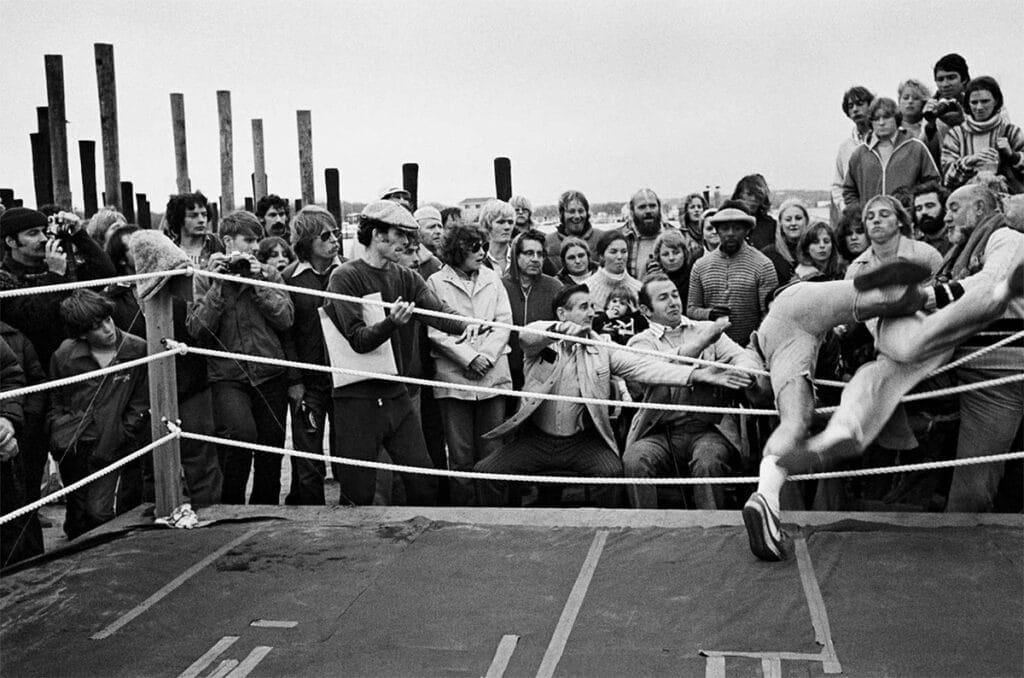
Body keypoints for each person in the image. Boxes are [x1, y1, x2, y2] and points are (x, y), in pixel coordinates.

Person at [792, 184, 1024, 515]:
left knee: (972, 487)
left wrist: (926, 301)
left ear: (981, 210)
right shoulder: (950, 255)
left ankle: (963, 543)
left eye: (955, 207)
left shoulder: (1005, 238)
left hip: (993, 374)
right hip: (958, 367)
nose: (946, 215)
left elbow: (991, 285)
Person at [741, 257, 943, 560]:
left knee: (795, 423)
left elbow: (749, 371)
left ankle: (767, 497)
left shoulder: (767, 342)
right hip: (800, 316)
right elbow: (749, 373)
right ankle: (932, 290)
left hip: (794, 324)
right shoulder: (779, 334)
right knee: (905, 304)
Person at [475, 284, 726, 507]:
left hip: (582, 443)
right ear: (563, 313)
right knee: (486, 473)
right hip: (534, 441)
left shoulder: (603, 348)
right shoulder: (541, 343)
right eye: (584, 307)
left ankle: (608, 538)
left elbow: (648, 366)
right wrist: (559, 329)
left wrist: (695, 375)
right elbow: (527, 336)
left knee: (613, 473)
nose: (592, 313)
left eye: (593, 306)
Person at [324, 201, 473, 506]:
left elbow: (439, 314)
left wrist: (472, 324)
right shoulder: (344, 277)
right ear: (378, 235)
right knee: (358, 492)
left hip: (395, 393)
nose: (408, 243)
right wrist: (392, 323)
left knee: (424, 481)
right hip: (357, 399)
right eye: (400, 234)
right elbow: (358, 340)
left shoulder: (405, 276)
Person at [623, 274, 762, 509]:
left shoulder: (706, 329)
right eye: (663, 298)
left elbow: (743, 356)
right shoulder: (639, 343)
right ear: (646, 310)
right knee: (635, 460)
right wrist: (702, 343)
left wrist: (744, 371)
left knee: (708, 462)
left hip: (709, 429)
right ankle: (645, 529)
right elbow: (660, 370)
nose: (673, 302)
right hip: (659, 431)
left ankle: (710, 531)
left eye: (675, 295)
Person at [187, 210, 294, 505]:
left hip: (270, 372)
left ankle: (265, 510)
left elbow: (286, 319)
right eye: (248, 240)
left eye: (257, 240)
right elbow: (197, 330)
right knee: (240, 436)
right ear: (227, 241)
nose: (254, 247)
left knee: (271, 449)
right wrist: (219, 286)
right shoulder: (205, 278)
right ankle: (230, 506)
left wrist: (258, 283)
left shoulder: (270, 274)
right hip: (228, 376)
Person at [126, 229, 223, 508]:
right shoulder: (118, 302)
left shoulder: (182, 293)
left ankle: (210, 512)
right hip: (145, 394)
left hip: (192, 384)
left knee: (201, 457)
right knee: (150, 462)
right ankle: (150, 515)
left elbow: (200, 330)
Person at [48, 290, 149, 539]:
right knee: (76, 512)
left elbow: (141, 399)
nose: (107, 328)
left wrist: (125, 431)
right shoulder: (65, 356)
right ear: (82, 333)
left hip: (113, 443)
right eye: (97, 326)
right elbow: (55, 399)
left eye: (107, 319)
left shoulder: (135, 348)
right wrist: (59, 432)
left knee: (99, 511)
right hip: (76, 444)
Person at [426, 223, 513, 505]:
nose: (481, 252)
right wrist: (468, 357)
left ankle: (494, 511)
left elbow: (504, 322)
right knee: (460, 454)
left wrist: (485, 357)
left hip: (493, 375)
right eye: (473, 247)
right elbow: (435, 330)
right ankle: (463, 512)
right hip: (455, 379)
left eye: (483, 246)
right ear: (456, 249)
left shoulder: (493, 277)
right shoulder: (435, 283)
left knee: (492, 451)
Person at [280, 206, 345, 505]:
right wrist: (294, 380)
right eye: (326, 235)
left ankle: (354, 513)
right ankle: (311, 517)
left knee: (348, 451)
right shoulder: (288, 278)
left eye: (336, 234)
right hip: (308, 381)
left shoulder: (347, 274)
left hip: (345, 378)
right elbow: (286, 333)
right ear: (307, 241)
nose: (335, 241)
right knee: (308, 455)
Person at [1, 207, 116, 371]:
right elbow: (32, 319)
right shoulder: (5, 279)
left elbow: (105, 273)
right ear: (11, 241)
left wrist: (79, 234)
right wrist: (55, 276)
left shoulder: (61, 267)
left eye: (44, 232)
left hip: (78, 362)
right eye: (33, 233)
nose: (43, 239)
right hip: (37, 371)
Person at [687, 204, 778, 346]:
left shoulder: (763, 265)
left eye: (737, 228)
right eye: (724, 228)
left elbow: (769, 315)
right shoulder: (700, 266)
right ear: (717, 231)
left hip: (750, 349)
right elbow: (692, 310)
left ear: (747, 230)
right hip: (711, 348)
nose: (730, 233)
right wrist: (709, 314)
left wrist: (756, 348)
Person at [843, 97, 941, 210]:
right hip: (872, 223)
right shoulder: (860, 153)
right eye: (876, 118)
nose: (881, 123)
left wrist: (913, 206)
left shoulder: (916, 147)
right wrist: (860, 214)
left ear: (896, 118)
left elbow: (932, 182)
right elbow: (849, 190)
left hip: (907, 222)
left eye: (886, 117)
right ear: (871, 122)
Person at [941, 76, 1024, 193]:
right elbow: (947, 180)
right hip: (967, 203)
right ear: (968, 104)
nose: (979, 107)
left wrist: (1012, 155)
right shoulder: (955, 135)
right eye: (974, 102)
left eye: (985, 101)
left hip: (1008, 202)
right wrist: (968, 162)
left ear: (996, 101)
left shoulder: (1011, 132)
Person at [503, 230, 563, 390]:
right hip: (507, 370)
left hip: (544, 372)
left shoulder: (555, 287)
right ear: (516, 255)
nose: (536, 259)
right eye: (529, 253)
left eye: (540, 254)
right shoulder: (499, 286)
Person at [831, 86, 876, 214]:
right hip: (855, 215)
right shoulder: (846, 148)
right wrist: (845, 207)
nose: (855, 109)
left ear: (870, 105)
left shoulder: (884, 140)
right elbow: (838, 184)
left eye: (860, 104)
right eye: (851, 106)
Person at [543, 190, 606, 275]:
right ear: (562, 214)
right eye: (571, 211)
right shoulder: (548, 242)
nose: (577, 216)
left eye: (581, 211)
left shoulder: (602, 238)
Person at [923, 53, 970, 164]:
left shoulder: (982, 101)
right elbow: (925, 152)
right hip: (947, 171)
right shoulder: (934, 107)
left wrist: (963, 122)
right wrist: (930, 126)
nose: (945, 84)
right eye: (940, 79)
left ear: (964, 79)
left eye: (951, 77)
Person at [584, 231, 641, 310]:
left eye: (624, 252)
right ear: (601, 256)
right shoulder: (586, 288)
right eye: (613, 252)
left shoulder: (638, 288)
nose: (619, 257)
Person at [618, 188, 667, 279]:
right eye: (642, 207)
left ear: (659, 208)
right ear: (632, 211)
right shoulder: (620, 238)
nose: (648, 211)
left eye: (652, 206)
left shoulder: (673, 234)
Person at [164, 191, 222, 267]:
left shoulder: (219, 244)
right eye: (193, 216)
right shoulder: (169, 252)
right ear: (179, 219)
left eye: (204, 215)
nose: (201, 220)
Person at [762, 199, 810, 283]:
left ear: (806, 221)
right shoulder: (769, 254)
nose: (793, 223)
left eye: (798, 218)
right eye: (788, 219)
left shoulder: (815, 250)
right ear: (780, 223)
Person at [731, 174, 776, 249]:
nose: (753, 199)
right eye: (749, 194)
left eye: (758, 195)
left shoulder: (771, 225)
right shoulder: (728, 222)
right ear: (739, 195)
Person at [650, 229, 692, 301]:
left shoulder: (694, 278)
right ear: (658, 257)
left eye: (676, 253)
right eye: (665, 254)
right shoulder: (654, 283)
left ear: (685, 254)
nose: (671, 258)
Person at [912, 181, 953, 254]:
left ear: (945, 208)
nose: (924, 212)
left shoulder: (957, 241)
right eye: (919, 208)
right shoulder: (915, 247)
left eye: (929, 206)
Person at [479, 199, 515, 276]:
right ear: (487, 225)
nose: (507, 227)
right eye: (501, 222)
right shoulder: (477, 258)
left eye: (510, 222)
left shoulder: (519, 256)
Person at [679, 193, 709, 262]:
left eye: (699, 207)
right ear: (686, 211)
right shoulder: (681, 235)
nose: (696, 210)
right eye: (692, 207)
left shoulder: (710, 232)